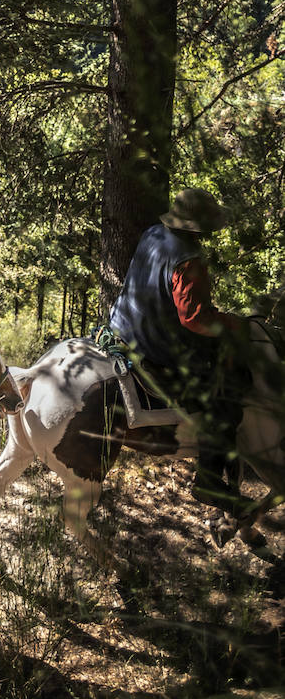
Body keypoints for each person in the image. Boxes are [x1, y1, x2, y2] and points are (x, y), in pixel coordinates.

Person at [108, 187, 251, 538]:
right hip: (157, 344)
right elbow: (195, 319)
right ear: (199, 226)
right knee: (227, 393)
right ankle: (210, 481)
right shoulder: (188, 259)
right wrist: (234, 323)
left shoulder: (152, 234)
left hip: (123, 326)